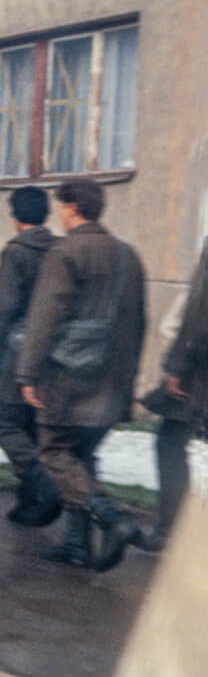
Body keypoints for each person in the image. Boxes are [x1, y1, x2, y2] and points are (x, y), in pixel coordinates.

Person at [15, 178, 147, 570]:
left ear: (72, 208)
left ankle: (112, 519)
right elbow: (138, 323)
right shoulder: (128, 255)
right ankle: (77, 544)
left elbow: (45, 317)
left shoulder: (66, 252)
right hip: (112, 378)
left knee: (54, 449)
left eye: (63, 206)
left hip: (68, 374)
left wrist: (27, 372)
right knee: (81, 456)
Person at [0, 186, 62, 527]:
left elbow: (2, 307)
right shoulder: (59, 250)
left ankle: (44, 481)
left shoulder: (17, 252)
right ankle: (29, 504)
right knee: (30, 425)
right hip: (50, 354)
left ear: (15, 216)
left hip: (14, 354)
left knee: (3, 422)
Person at [144, 236, 208, 552]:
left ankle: (174, 530)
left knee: (169, 443)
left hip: (200, 371)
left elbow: (200, 309)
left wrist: (178, 365)